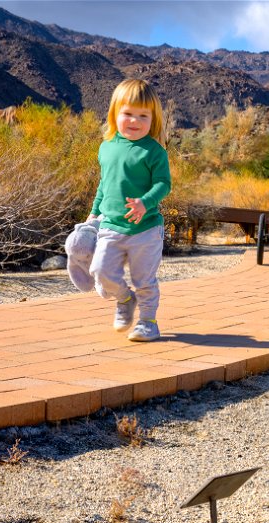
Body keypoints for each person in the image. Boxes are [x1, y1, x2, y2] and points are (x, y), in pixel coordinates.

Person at [84, 78, 171, 342]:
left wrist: (145, 202)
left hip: (145, 229)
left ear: (153, 118)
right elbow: (104, 183)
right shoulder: (106, 147)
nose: (135, 121)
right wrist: (94, 212)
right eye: (128, 114)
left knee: (144, 278)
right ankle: (124, 298)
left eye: (143, 116)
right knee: (99, 270)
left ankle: (148, 322)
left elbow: (163, 184)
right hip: (110, 224)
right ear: (115, 113)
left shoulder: (154, 151)